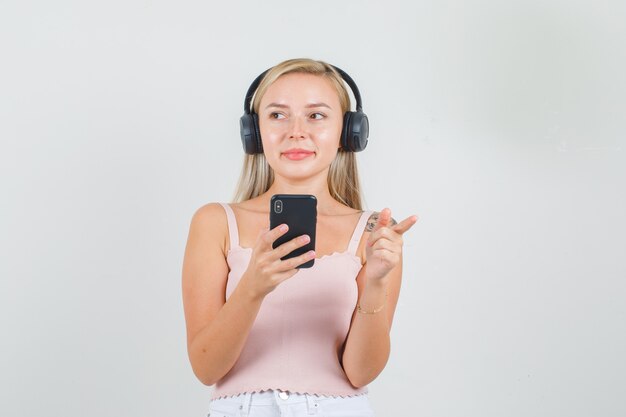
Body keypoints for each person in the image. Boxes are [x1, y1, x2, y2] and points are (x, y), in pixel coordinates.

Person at [182, 58, 418, 417]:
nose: (296, 131)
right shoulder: (215, 223)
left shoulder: (374, 232)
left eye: (316, 115)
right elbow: (206, 369)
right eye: (277, 115)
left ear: (348, 132)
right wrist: (253, 288)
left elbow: (361, 373)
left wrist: (376, 283)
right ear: (255, 133)